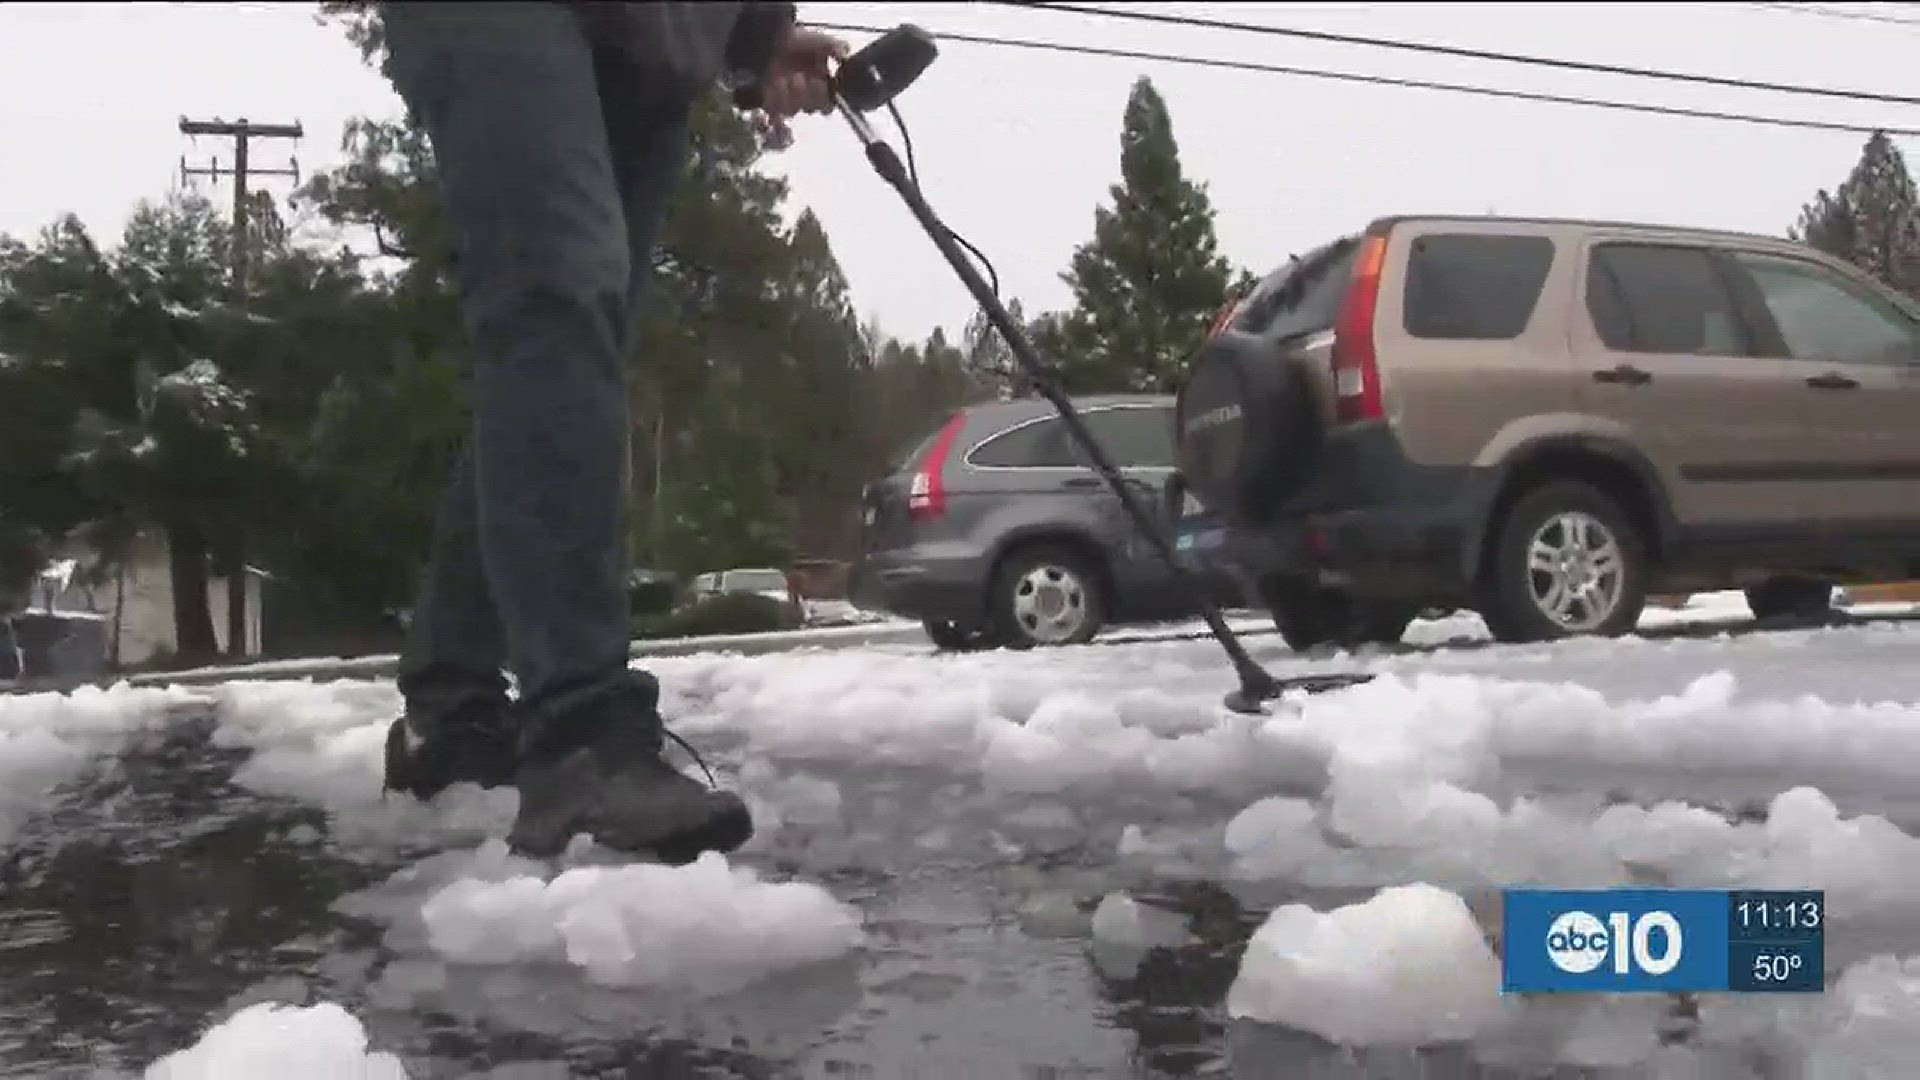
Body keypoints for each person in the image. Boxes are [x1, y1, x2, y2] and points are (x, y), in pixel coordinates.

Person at [374, 1, 847, 864]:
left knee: (571, 350)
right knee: (557, 293)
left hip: (656, 43)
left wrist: (759, 39)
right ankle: (582, 733)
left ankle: (450, 706)